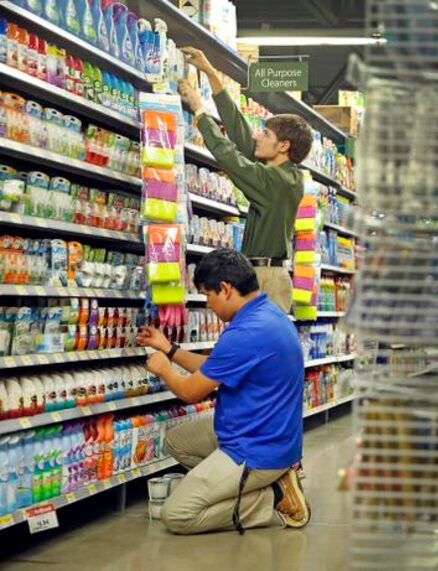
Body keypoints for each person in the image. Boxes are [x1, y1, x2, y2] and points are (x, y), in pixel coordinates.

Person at [139, 249, 311, 535]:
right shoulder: (266, 314)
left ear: (226, 289)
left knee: (177, 514)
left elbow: (190, 391)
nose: (208, 304)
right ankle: (246, 484)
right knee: (176, 441)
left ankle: (274, 498)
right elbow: (214, 366)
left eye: (208, 295)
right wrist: (169, 349)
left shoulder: (245, 333)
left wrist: (164, 369)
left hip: (256, 449)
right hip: (261, 434)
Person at [178, 47, 313, 313]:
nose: (256, 137)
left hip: (267, 279)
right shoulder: (278, 171)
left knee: (260, 348)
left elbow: (230, 158)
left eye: (265, 133)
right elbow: (239, 131)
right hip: (257, 272)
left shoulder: (280, 181)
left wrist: (199, 111)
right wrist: (209, 72)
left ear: (283, 146)